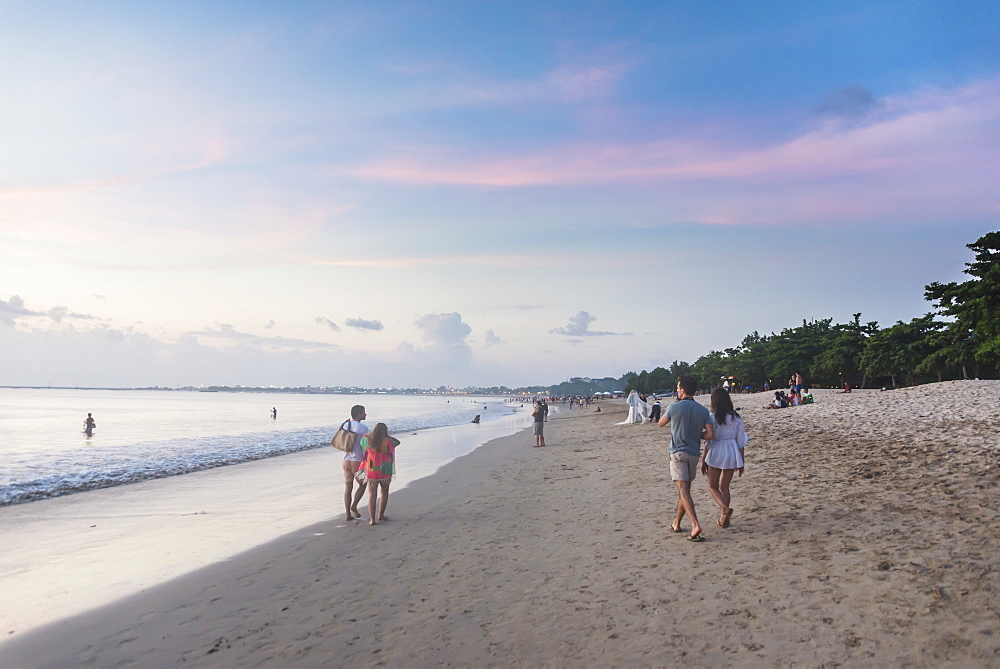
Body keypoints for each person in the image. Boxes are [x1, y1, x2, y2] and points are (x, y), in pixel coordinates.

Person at [658, 375, 714, 542]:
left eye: (677, 387)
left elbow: (661, 423)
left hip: (678, 453)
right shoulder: (703, 410)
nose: (676, 389)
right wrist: (697, 433)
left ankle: (695, 524)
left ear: (682, 390)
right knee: (685, 491)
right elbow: (710, 434)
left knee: (683, 490)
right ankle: (676, 523)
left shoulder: (674, 407)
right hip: (694, 453)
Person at [702, 388, 748, 529]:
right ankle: (723, 518)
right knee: (724, 487)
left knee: (712, 486)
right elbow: (741, 441)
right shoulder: (736, 417)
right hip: (732, 451)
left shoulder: (712, 417)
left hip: (717, 450)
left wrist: (703, 459)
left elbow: (708, 441)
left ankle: (724, 509)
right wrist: (741, 462)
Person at [356, 423, 400, 526]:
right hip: (385, 469)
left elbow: (362, 444)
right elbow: (397, 442)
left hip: (372, 470)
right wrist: (388, 436)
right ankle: (381, 515)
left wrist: (371, 435)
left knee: (372, 495)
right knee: (384, 493)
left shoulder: (367, 440)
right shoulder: (388, 441)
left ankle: (372, 519)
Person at [341, 405, 371, 522]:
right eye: (363, 412)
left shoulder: (345, 424)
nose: (365, 414)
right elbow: (367, 444)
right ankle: (354, 505)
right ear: (358, 414)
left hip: (345, 459)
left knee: (348, 486)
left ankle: (348, 514)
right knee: (363, 484)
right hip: (357, 460)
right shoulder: (362, 428)